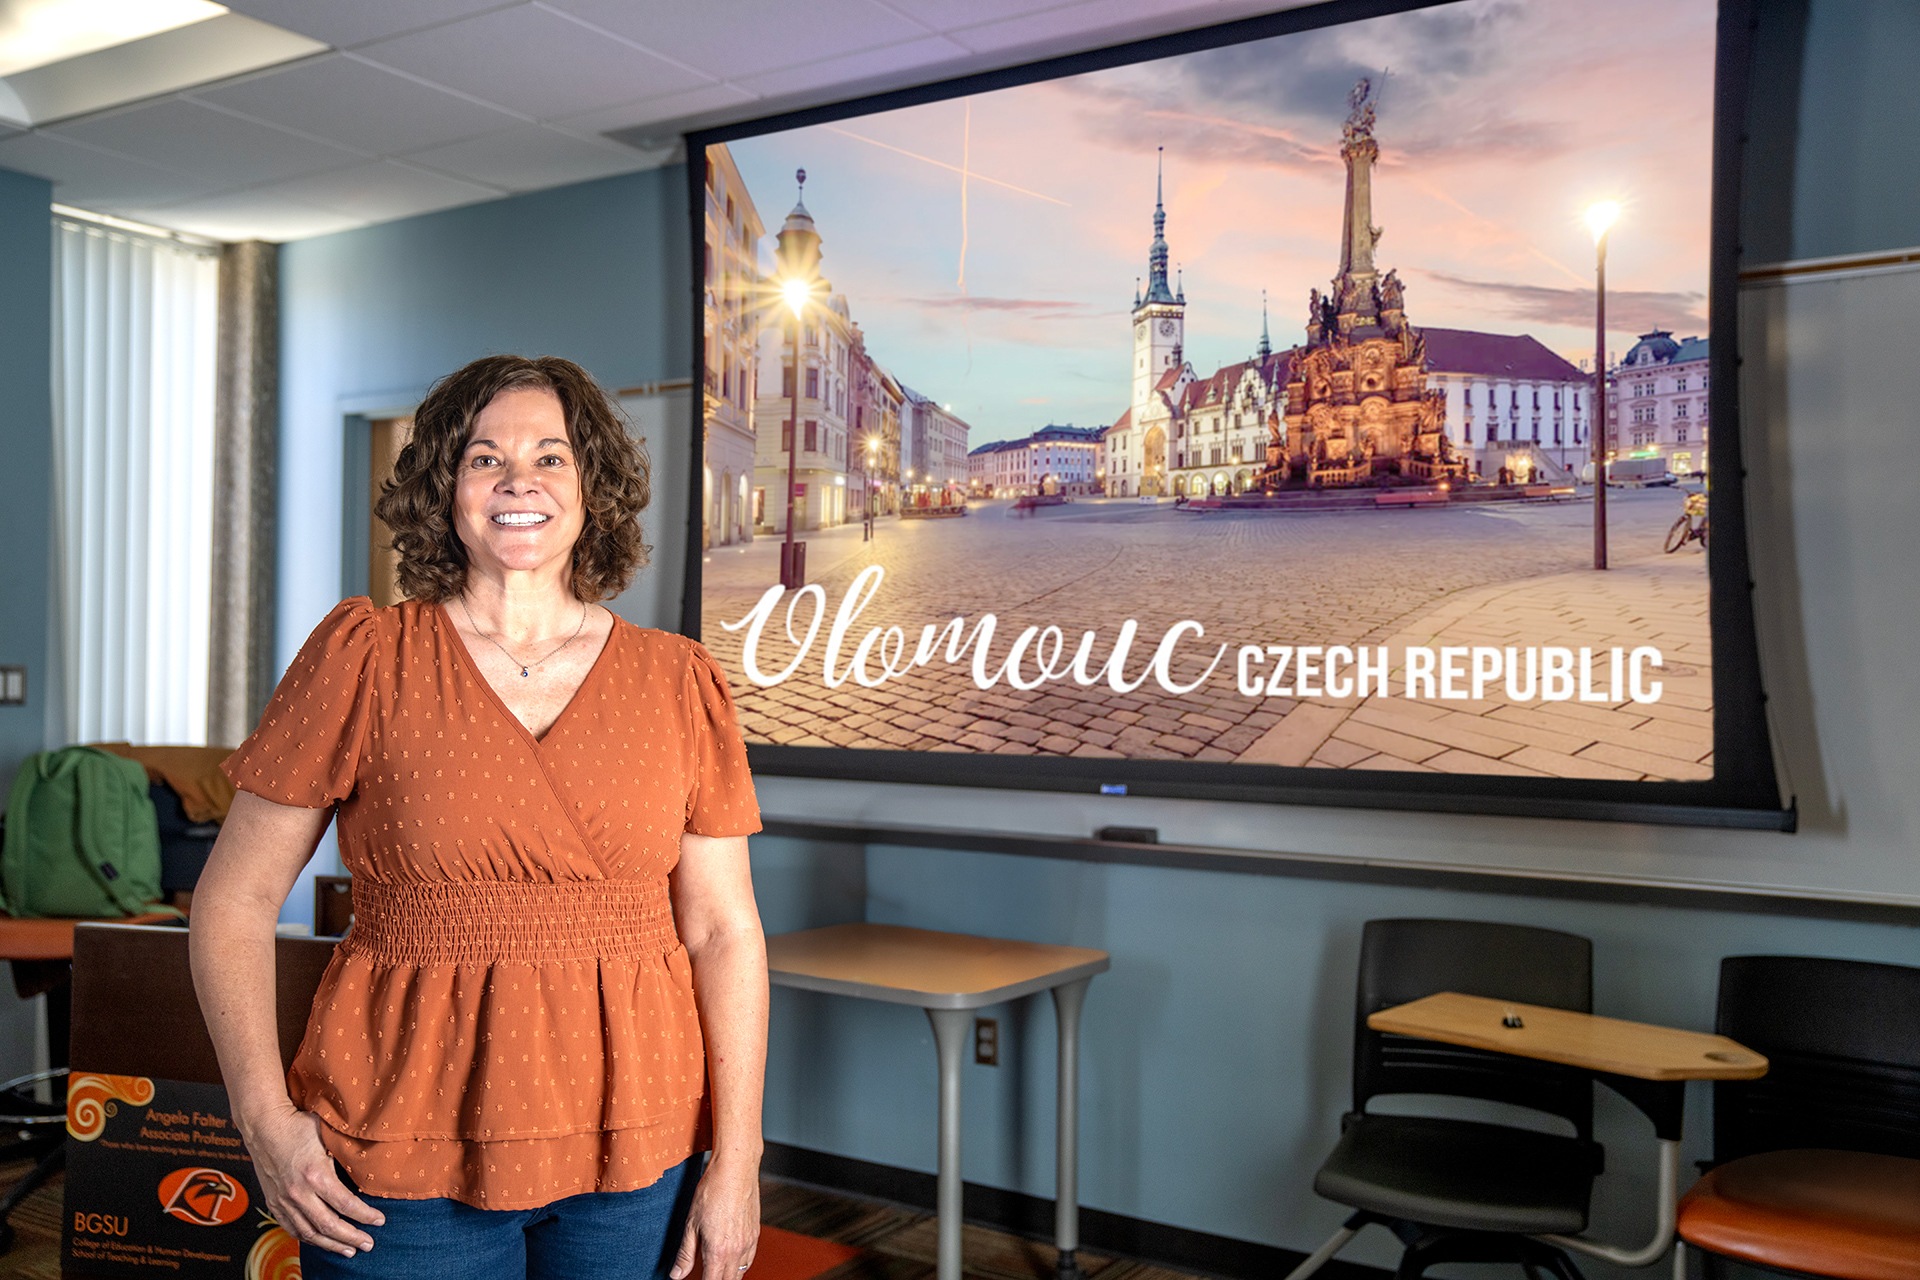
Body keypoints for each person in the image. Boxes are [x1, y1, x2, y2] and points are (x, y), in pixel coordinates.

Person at [190, 355, 767, 1279]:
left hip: (640, 1142)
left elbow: (724, 930)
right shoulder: (366, 658)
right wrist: (263, 1122)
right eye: (484, 459)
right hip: (399, 1136)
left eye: (552, 457)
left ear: (595, 488)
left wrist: (739, 1159)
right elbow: (232, 901)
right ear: (445, 489)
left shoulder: (677, 680)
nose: (519, 484)